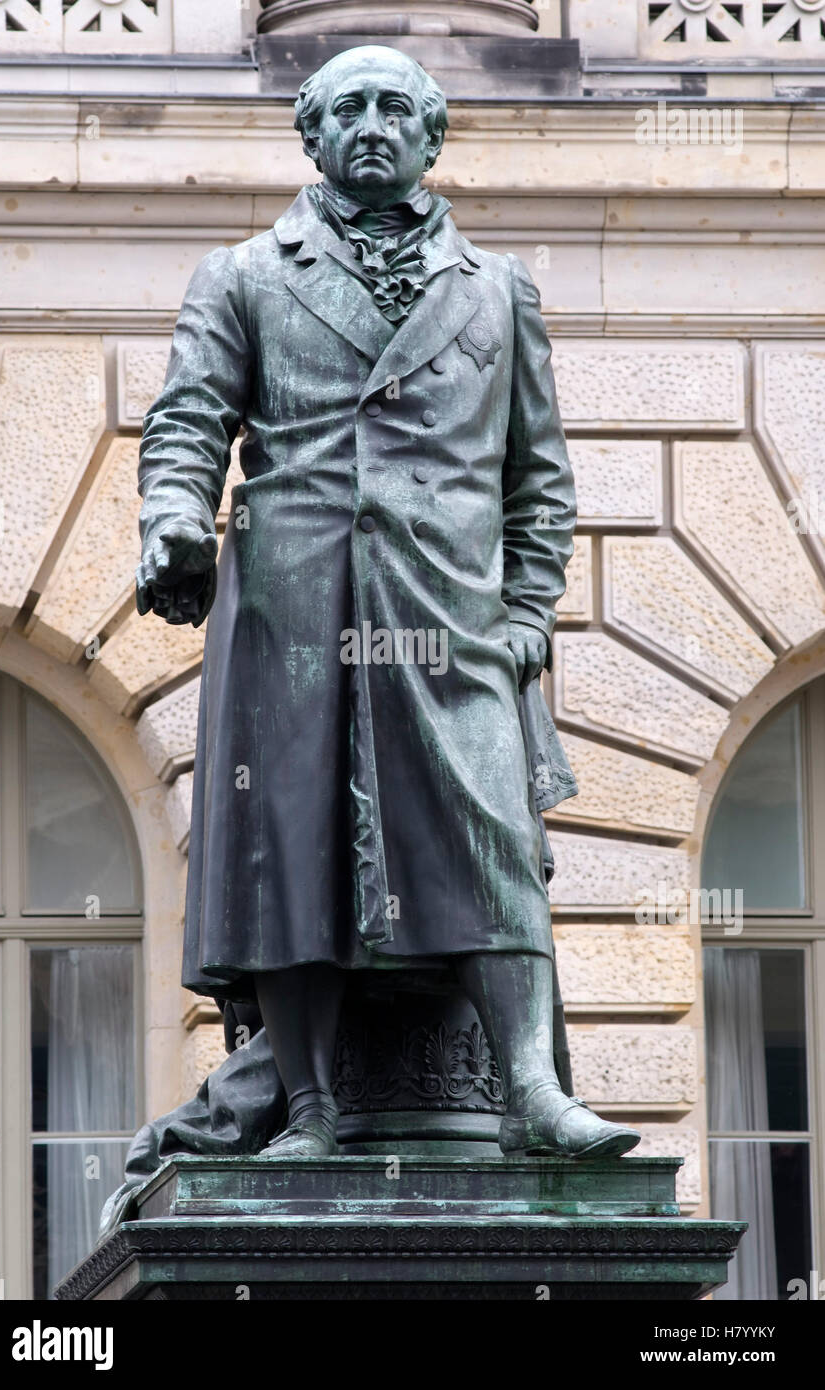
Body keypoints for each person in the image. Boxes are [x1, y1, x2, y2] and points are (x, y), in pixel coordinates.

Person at [136, 44, 640, 1162]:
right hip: (291, 607)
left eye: (394, 106)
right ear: (309, 136)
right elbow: (186, 422)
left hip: (445, 612)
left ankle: (530, 1092)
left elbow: (537, 479)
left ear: (431, 135)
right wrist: (171, 514)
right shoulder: (244, 276)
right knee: (289, 849)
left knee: (489, 836)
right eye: (346, 106)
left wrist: (526, 610)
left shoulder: (498, 288)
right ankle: (310, 1111)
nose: (372, 122)